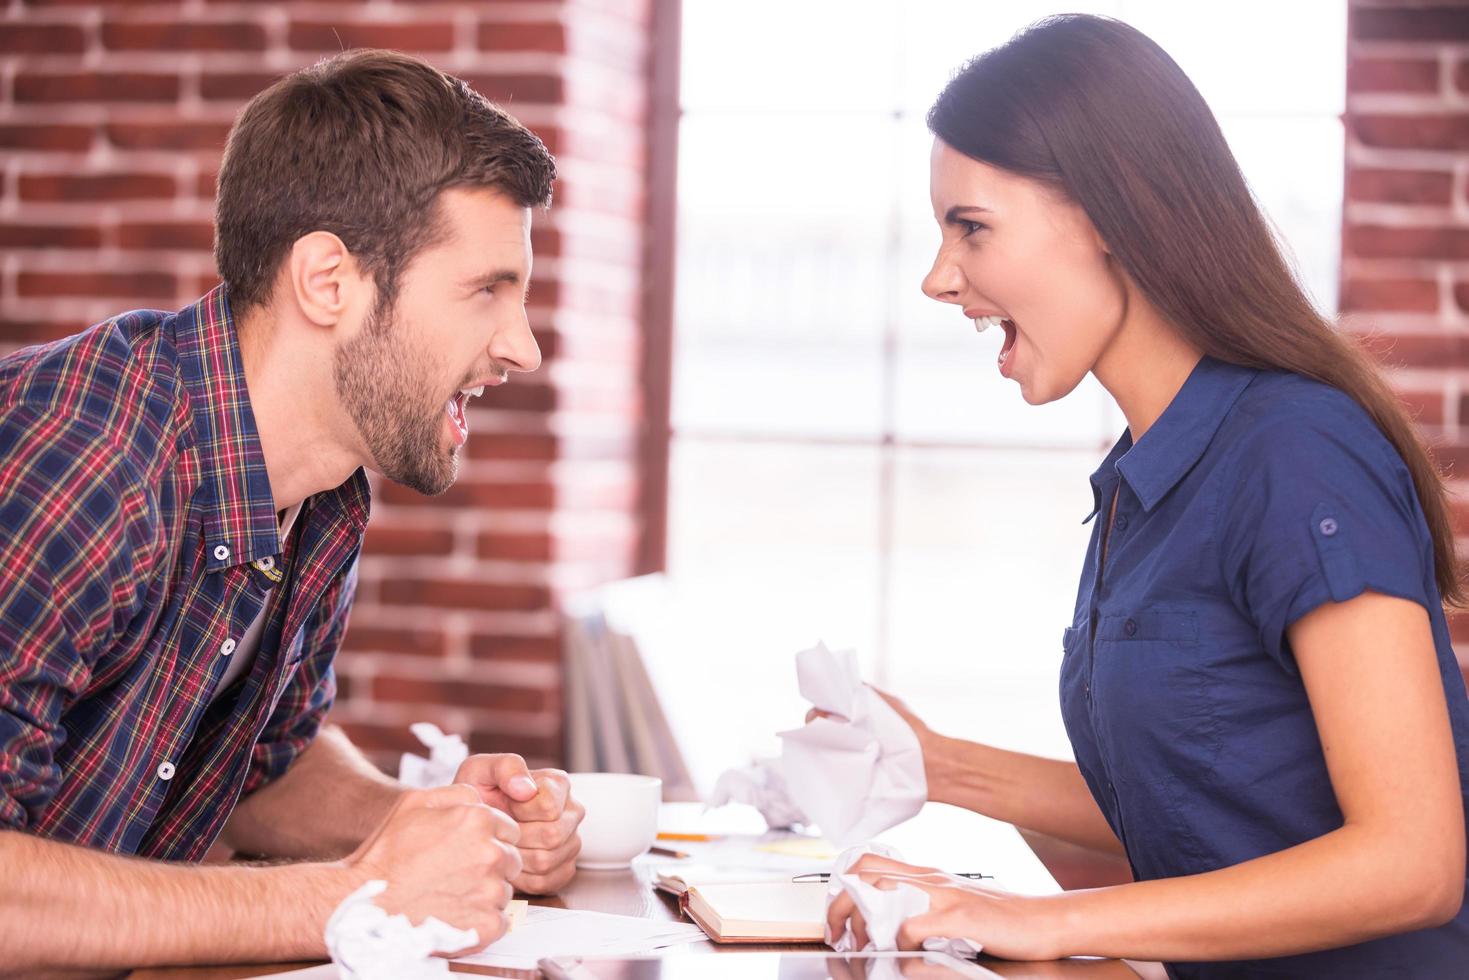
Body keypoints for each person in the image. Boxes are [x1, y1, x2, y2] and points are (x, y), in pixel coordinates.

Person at [826, 15, 1469, 978]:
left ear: (1110, 216)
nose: (937, 276)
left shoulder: (1293, 454)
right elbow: (1219, 793)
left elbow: (1412, 865)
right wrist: (941, 767)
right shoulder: (1151, 470)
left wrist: (1044, 919)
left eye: (971, 227)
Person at [0, 49, 584, 976]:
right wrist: (359, 899)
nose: (522, 348)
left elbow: (258, 766)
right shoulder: (87, 462)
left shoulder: (318, 486)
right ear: (328, 282)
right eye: (485, 291)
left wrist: (430, 831)